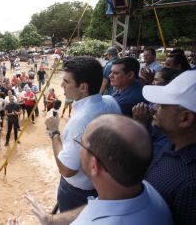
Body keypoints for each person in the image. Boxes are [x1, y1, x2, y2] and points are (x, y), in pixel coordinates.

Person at [27, 114, 173, 225]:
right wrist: (51, 220)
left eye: (81, 144)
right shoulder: (146, 190)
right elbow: (97, 207)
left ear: (94, 165)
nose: (78, 150)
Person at [45, 56, 121, 212]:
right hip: (102, 185)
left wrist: (54, 132)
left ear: (83, 87)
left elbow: (67, 169)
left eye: (66, 82)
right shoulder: (110, 101)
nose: (61, 85)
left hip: (77, 193)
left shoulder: (79, 121)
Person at [142, 70, 196, 224]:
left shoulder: (191, 185)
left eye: (162, 105)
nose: (154, 107)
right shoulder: (172, 144)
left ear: (185, 118)